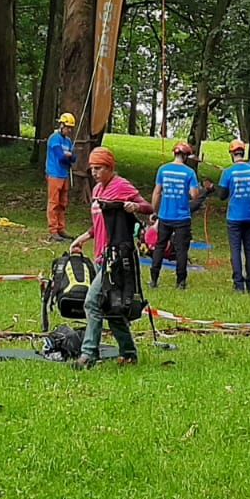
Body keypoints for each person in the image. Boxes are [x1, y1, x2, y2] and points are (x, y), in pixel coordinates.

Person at [68, 147, 152, 368]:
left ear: (109, 167)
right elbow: (99, 224)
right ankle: (129, 352)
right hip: (99, 256)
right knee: (110, 305)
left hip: (115, 257)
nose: (94, 172)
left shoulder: (121, 185)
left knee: (92, 302)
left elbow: (148, 207)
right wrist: (83, 238)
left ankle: (88, 355)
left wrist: (135, 206)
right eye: (92, 168)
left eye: (99, 168)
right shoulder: (97, 190)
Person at [148, 142, 204, 289]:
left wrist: (154, 211)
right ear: (185, 156)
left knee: (159, 247)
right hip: (182, 218)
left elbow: (157, 192)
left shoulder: (163, 170)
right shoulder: (189, 173)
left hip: (165, 216)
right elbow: (194, 194)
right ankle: (180, 281)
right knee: (181, 250)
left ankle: (154, 279)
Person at [218, 139, 250, 292]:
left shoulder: (228, 172)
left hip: (234, 217)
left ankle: (238, 284)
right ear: (243, 152)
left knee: (235, 250)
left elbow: (222, 196)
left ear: (232, 153)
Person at [44, 112, 77, 241]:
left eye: (70, 128)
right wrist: (68, 156)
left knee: (63, 203)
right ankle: (53, 230)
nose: (69, 130)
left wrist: (69, 156)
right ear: (61, 125)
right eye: (67, 127)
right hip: (54, 174)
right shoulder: (54, 138)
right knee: (54, 203)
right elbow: (61, 156)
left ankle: (61, 228)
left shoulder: (68, 141)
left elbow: (73, 158)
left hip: (64, 175)